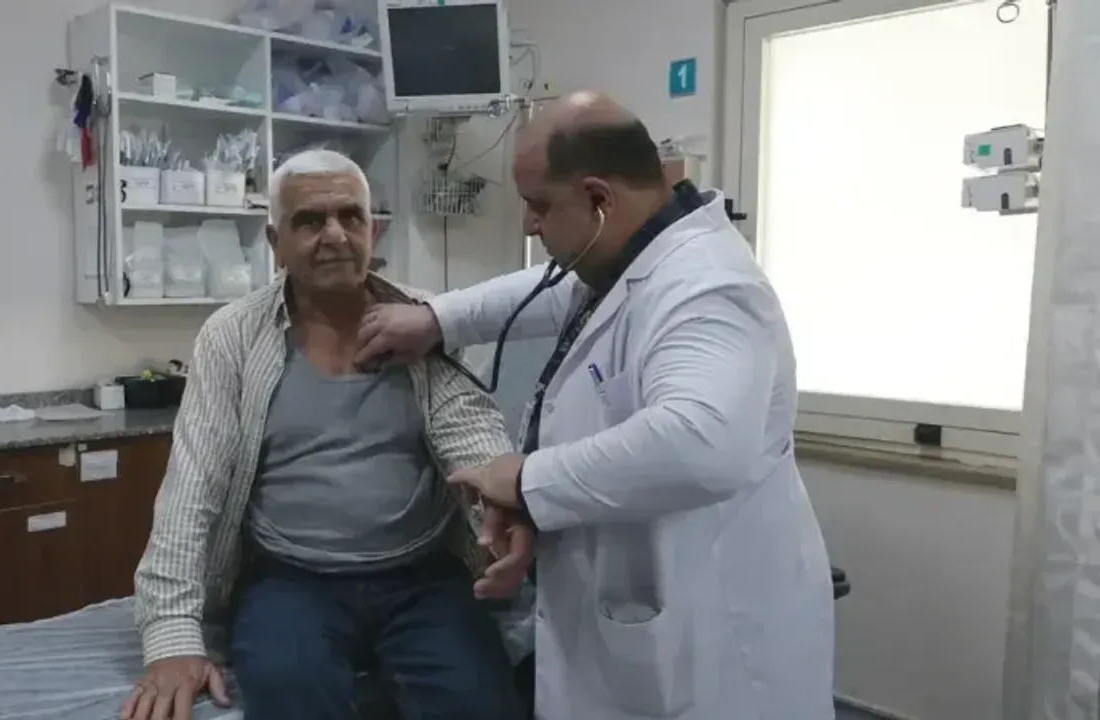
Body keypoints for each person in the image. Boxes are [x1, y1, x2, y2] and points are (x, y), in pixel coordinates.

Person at [356, 91, 836, 719]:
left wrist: (524, 480)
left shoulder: (709, 288)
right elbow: (545, 291)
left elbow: (701, 444)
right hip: (636, 609)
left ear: (598, 199)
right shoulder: (626, 262)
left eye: (538, 205)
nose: (528, 226)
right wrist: (436, 319)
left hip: (708, 639)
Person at [121, 149, 529, 720]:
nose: (334, 235)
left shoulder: (422, 320)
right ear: (275, 242)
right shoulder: (233, 337)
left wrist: (503, 510)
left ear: (372, 229)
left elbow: (471, 433)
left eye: (350, 216)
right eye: (311, 220)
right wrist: (171, 635)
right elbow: (192, 489)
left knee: (480, 704)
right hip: (292, 582)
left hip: (421, 579)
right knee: (291, 695)